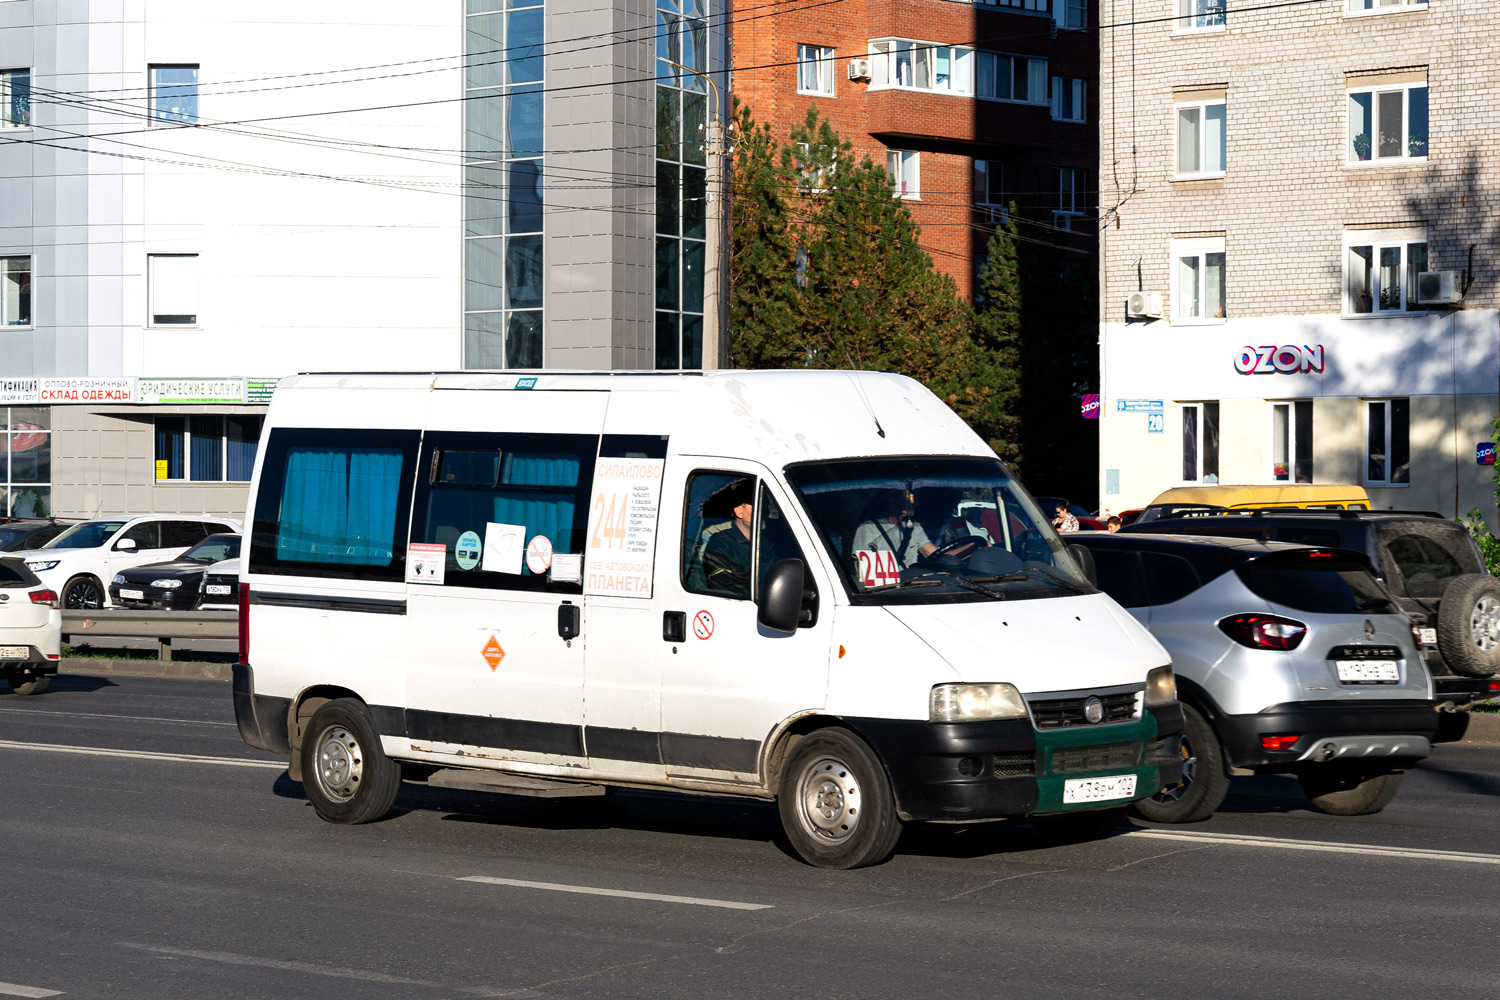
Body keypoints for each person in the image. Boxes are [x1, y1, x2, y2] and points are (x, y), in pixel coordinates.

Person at [852, 490, 938, 569]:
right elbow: (863, 568)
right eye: (911, 497)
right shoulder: (869, 528)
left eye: (917, 498)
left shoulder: (914, 528)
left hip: (911, 583)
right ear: (892, 497)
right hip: (885, 585)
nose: (916, 502)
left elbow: (934, 553)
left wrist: (950, 554)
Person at [701, 478, 755, 597]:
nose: (764, 510)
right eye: (757, 504)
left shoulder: (769, 541)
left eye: (766, 504)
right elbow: (728, 583)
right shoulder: (720, 543)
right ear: (739, 512)